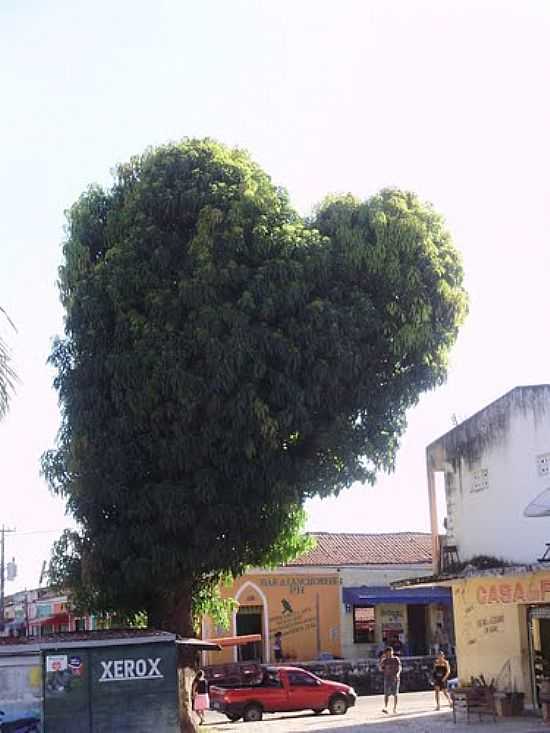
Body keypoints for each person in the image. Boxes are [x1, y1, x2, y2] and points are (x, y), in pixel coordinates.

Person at [379, 646, 401, 714]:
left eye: (390, 652)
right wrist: (381, 661)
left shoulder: (396, 659)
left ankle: (395, 708)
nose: (389, 654)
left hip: (395, 678)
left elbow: (399, 667)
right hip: (387, 678)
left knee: (395, 694)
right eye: (387, 653)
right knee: (386, 693)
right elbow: (381, 669)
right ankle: (386, 707)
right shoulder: (385, 660)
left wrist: (397, 674)